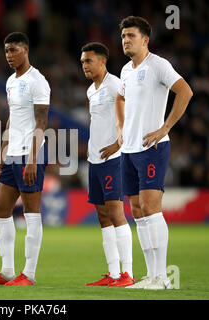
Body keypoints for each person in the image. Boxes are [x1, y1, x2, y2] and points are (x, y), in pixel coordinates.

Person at [114, 16, 193, 289]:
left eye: (131, 36)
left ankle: (162, 277)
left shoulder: (158, 65)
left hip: (152, 148)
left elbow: (185, 91)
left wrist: (165, 127)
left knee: (150, 208)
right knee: (137, 210)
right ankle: (151, 276)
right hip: (129, 149)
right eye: (123, 36)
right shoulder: (125, 70)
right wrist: (120, 126)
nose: (125, 40)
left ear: (145, 40)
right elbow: (121, 98)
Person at [0, 32, 50, 286]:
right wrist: (3, 150)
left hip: (30, 153)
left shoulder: (38, 81)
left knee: (32, 213)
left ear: (26, 49)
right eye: (6, 50)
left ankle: (29, 275)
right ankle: (8, 271)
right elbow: (13, 117)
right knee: (1, 211)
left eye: (14, 50)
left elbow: (41, 121)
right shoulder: (11, 81)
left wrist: (33, 158)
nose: (9, 55)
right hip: (12, 155)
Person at [80, 42, 134, 287]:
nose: (84, 66)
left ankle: (128, 274)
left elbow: (132, 114)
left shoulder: (115, 84)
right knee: (102, 216)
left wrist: (118, 144)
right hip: (95, 161)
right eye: (82, 62)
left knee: (115, 212)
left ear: (102, 61)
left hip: (113, 160)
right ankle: (112, 274)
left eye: (88, 61)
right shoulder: (92, 90)